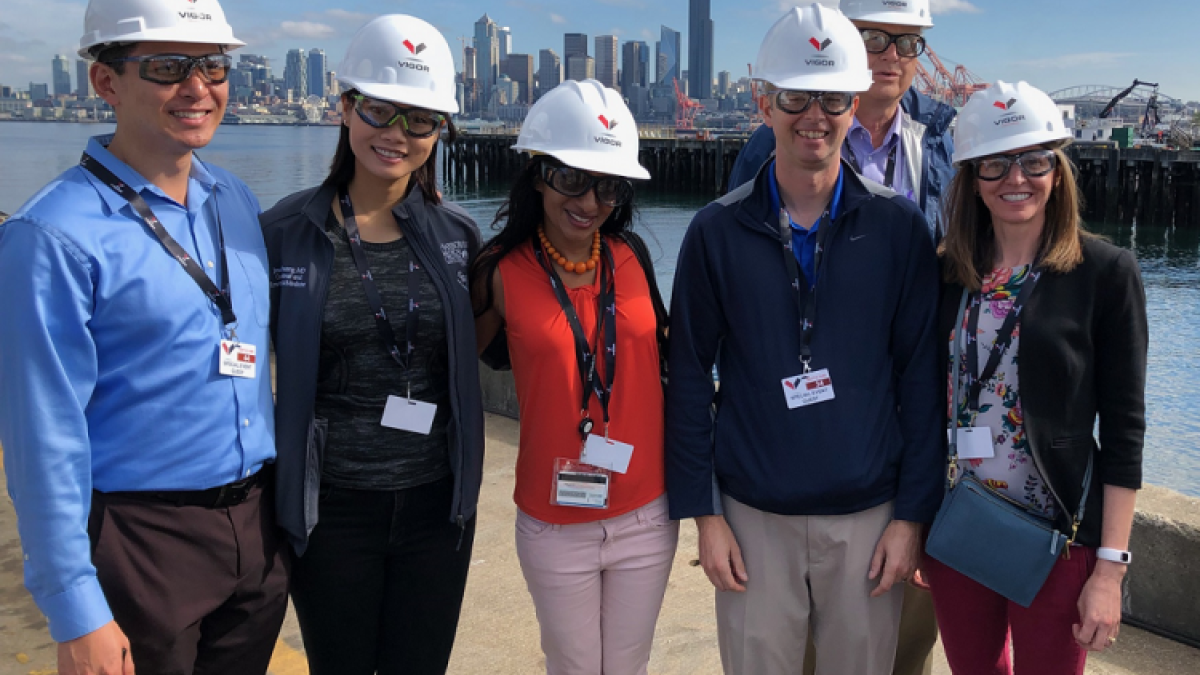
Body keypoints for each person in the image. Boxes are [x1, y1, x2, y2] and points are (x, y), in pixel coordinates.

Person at [0, 0, 286, 673]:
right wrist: (76, 609)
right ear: (106, 81)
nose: (198, 87)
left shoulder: (235, 202)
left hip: (255, 527)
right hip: (140, 540)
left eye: (213, 66)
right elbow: (42, 435)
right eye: (167, 67)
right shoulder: (51, 237)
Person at [665, 5, 943, 675]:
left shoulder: (900, 229)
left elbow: (921, 378)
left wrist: (911, 515)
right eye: (795, 97)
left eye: (832, 98)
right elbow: (688, 376)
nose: (814, 115)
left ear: (854, 105)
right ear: (764, 103)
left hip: (870, 515)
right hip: (752, 515)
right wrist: (705, 515)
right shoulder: (714, 232)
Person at [260, 14, 484, 675]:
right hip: (331, 509)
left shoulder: (458, 236)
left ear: (439, 130)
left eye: (420, 120)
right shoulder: (285, 232)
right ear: (344, 106)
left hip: (436, 507)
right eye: (379, 110)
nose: (397, 134)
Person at [928, 80, 1147, 675]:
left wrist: (1110, 569)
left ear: (1057, 170)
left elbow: (1125, 431)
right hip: (960, 522)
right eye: (995, 164)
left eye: (1033, 160)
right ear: (973, 177)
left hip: (1059, 537)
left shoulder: (1106, 272)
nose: (1015, 178)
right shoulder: (948, 272)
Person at [470, 79, 677, 675]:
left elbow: (668, 353)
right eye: (571, 178)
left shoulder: (632, 255)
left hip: (646, 512)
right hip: (553, 520)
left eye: (608, 185)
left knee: (630, 666)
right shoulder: (499, 272)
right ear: (538, 175)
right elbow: (456, 371)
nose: (590, 200)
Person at [728, 0, 955, 239]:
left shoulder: (935, 138)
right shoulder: (774, 139)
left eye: (908, 42)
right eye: (874, 39)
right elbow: (737, 235)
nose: (892, 55)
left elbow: (949, 241)